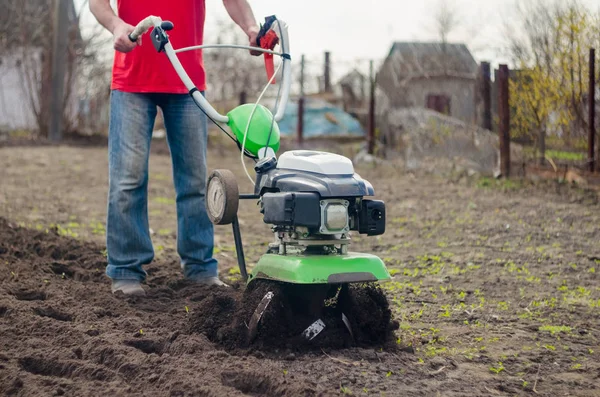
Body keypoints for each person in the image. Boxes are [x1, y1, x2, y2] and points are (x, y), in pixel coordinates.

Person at [89, 0, 261, 296]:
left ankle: (200, 267)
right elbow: (96, 3)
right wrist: (117, 26)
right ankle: (126, 270)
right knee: (127, 180)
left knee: (194, 180)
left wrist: (251, 27)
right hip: (131, 81)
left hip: (187, 80)